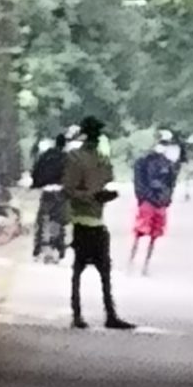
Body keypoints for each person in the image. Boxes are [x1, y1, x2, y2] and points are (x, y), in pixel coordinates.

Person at [63, 116, 135, 330]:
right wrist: (92, 196)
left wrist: (103, 195)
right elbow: (69, 190)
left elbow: (103, 182)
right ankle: (81, 314)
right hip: (82, 219)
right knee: (81, 270)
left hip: (95, 219)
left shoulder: (98, 159)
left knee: (101, 270)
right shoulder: (78, 158)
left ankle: (105, 314)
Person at [129, 131, 178, 275]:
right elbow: (138, 181)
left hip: (160, 202)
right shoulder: (144, 161)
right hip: (148, 201)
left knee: (154, 236)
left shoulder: (169, 164)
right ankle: (131, 262)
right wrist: (142, 197)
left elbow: (171, 184)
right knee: (139, 232)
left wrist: (167, 199)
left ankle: (145, 265)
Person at [31, 134, 68, 259]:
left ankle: (38, 246)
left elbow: (36, 171)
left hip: (47, 191)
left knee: (42, 219)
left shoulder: (45, 156)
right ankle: (59, 246)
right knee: (59, 219)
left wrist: (35, 184)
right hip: (60, 191)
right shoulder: (67, 158)